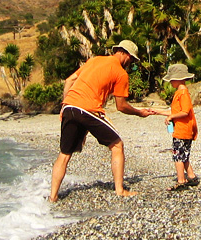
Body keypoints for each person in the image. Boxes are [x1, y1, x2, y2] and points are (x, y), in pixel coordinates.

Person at [49, 40, 152, 201]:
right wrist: (140, 113)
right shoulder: (120, 73)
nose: (131, 63)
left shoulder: (95, 59)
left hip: (69, 107)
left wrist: (64, 106)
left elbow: (69, 80)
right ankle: (120, 190)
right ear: (125, 54)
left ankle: (53, 196)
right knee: (117, 145)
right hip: (87, 110)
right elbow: (121, 106)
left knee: (64, 154)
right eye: (132, 59)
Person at [150, 63, 199, 191]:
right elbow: (175, 110)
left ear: (178, 78)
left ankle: (181, 181)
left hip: (182, 130)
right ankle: (192, 176)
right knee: (184, 155)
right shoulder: (180, 92)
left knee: (178, 155)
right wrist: (158, 112)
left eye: (172, 79)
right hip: (184, 130)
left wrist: (171, 117)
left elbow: (185, 111)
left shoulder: (182, 93)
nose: (170, 81)